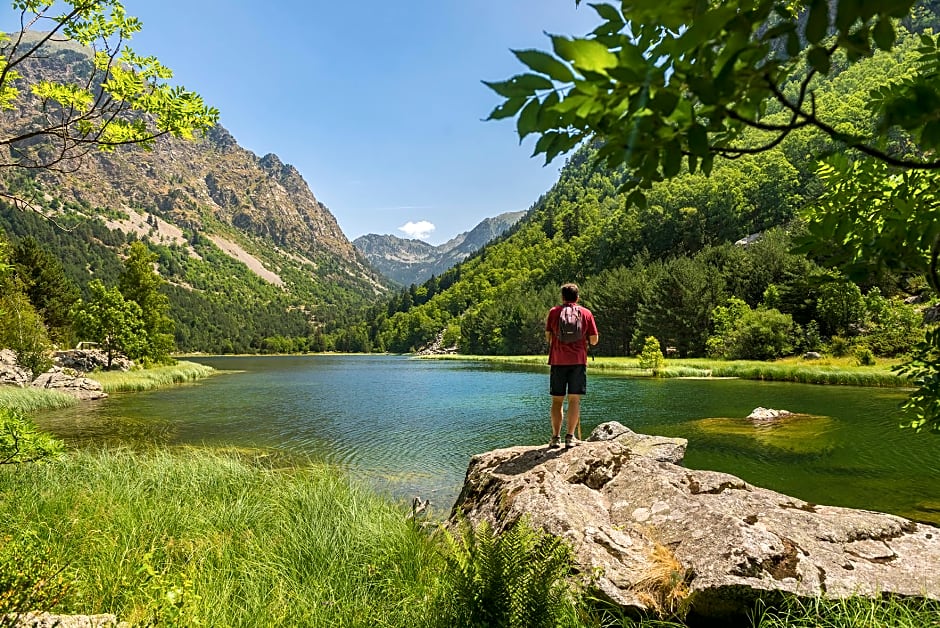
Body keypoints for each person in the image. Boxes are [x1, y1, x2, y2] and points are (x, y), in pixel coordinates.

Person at [545, 282, 598, 448]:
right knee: (574, 400)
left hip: (558, 360)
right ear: (578, 297)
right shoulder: (586, 313)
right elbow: (594, 340)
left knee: (557, 401)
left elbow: (548, 337)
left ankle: (555, 438)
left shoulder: (554, 312)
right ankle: (570, 437)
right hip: (578, 361)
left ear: (562, 297)